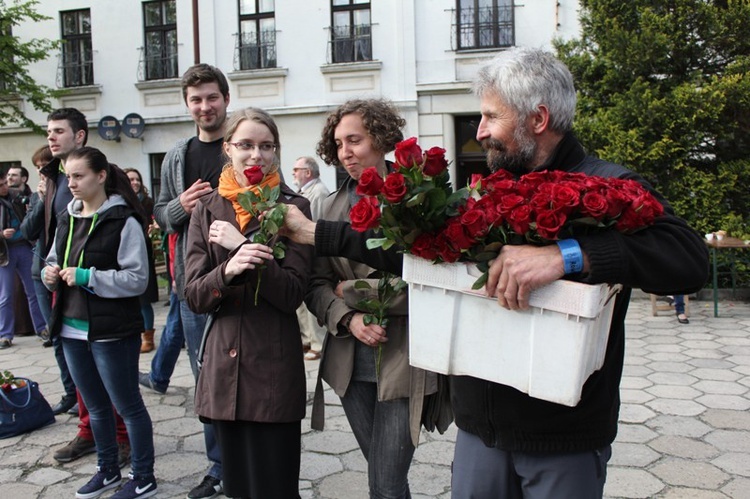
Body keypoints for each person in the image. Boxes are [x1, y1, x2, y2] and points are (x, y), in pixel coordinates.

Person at [438, 47, 709, 498]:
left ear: (537, 119)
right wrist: (319, 234)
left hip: (562, 440)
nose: (479, 130)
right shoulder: (485, 191)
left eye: (490, 116)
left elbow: (688, 260)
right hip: (478, 433)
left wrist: (568, 255)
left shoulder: (609, 184)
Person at [305, 99, 439, 498]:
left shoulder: (420, 198)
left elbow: (435, 280)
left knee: (384, 481)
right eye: (339, 143)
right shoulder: (327, 207)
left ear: (380, 139)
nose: (346, 151)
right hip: (350, 362)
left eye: (355, 140)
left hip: (406, 356)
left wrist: (358, 291)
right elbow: (316, 285)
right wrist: (349, 318)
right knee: (386, 478)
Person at [184, 106, 313, 499]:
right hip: (224, 371)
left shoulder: (294, 208)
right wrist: (226, 271)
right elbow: (192, 294)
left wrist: (245, 249)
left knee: (275, 488)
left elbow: (293, 293)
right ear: (228, 148)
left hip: (272, 368)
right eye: (246, 145)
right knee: (238, 488)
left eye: (266, 146)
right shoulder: (208, 209)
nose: (256, 155)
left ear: (276, 151)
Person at [42, 147, 157, 499]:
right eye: (68, 177)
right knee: (94, 407)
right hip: (71, 328)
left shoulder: (124, 220)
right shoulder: (67, 217)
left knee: (128, 406)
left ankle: (143, 477)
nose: (72, 184)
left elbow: (137, 279)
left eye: (79, 176)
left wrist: (88, 276)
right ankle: (107, 470)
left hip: (112, 330)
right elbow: (52, 259)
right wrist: (50, 274)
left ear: (101, 176)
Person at [151, 63, 228, 499]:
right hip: (193, 284)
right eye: (196, 99)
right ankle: (219, 466)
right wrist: (180, 205)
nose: (204, 106)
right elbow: (161, 215)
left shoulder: (242, 144)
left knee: (247, 372)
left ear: (225, 99)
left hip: (242, 281)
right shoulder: (177, 155)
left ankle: (249, 454)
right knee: (206, 379)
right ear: (187, 105)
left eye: (211, 97)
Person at [38, 108, 131, 465]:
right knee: (79, 373)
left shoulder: (103, 176)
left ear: (80, 136)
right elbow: (45, 226)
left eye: (58, 131)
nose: (51, 137)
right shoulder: (54, 175)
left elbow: (129, 218)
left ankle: (121, 437)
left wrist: (93, 276)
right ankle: (89, 431)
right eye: (49, 131)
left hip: (101, 299)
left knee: (108, 376)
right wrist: (44, 266)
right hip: (60, 291)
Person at [0, 173, 48, 348]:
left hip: (24, 247)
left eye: (5, 183)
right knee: (6, 295)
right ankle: (5, 335)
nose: (5, 187)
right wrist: (1, 234)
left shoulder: (16, 197)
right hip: (4, 252)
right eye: (1, 185)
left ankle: (42, 328)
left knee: (34, 290)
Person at [291, 156, 330, 360]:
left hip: (312, 251)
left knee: (311, 301)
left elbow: (314, 223)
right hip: (302, 251)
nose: (293, 173)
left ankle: (318, 344)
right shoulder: (305, 191)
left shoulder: (319, 192)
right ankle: (307, 339)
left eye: (296, 169)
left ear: (308, 172)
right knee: (301, 302)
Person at [123, 168, 159, 353]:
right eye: (130, 179)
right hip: (124, 252)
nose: (135, 182)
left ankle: (148, 337)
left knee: (144, 299)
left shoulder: (146, 201)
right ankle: (135, 333)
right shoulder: (121, 201)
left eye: (137, 179)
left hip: (143, 251)